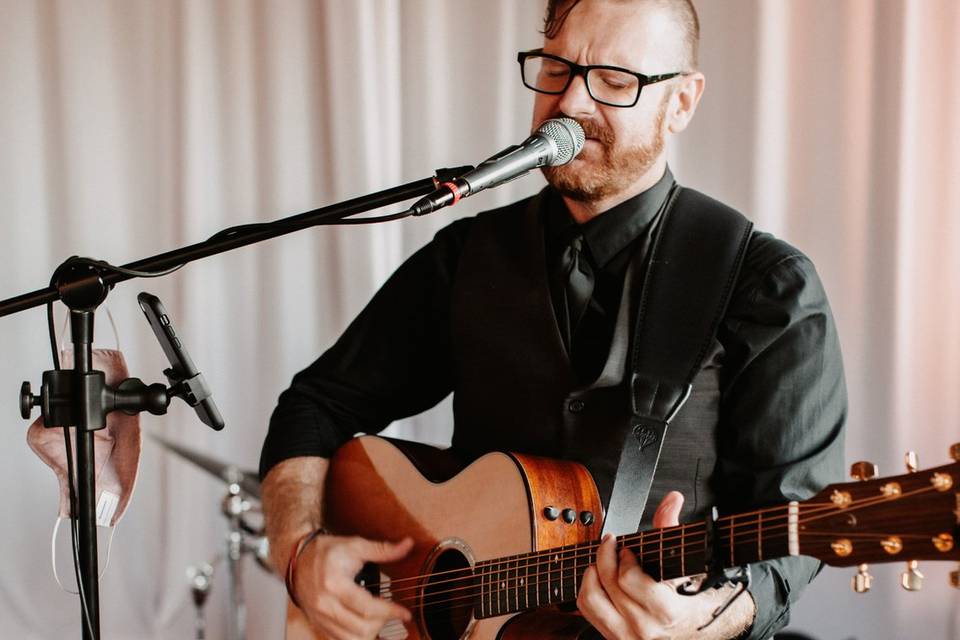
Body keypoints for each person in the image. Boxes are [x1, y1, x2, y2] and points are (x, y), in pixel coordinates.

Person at [258, 1, 846, 639]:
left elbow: (796, 529)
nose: (569, 103)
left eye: (615, 81)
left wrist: (706, 618)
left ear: (682, 102)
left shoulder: (767, 287)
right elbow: (315, 406)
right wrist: (300, 554)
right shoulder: (466, 259)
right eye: (556, 68)